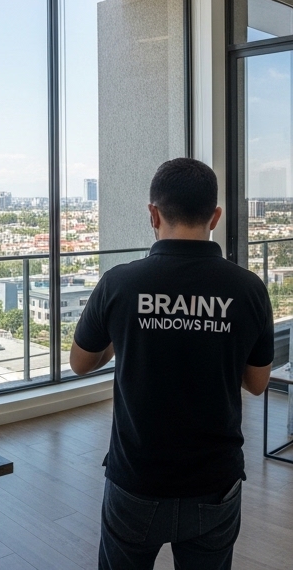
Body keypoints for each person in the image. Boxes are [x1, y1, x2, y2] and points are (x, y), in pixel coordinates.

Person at [70, 158, 274, 570]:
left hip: (136, 481)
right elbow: (257, 383)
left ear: (153, 214)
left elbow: (80, 363)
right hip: (214, 483)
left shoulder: (119, 283)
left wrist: (122, 336)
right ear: (214, 217)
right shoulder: (248, 289)